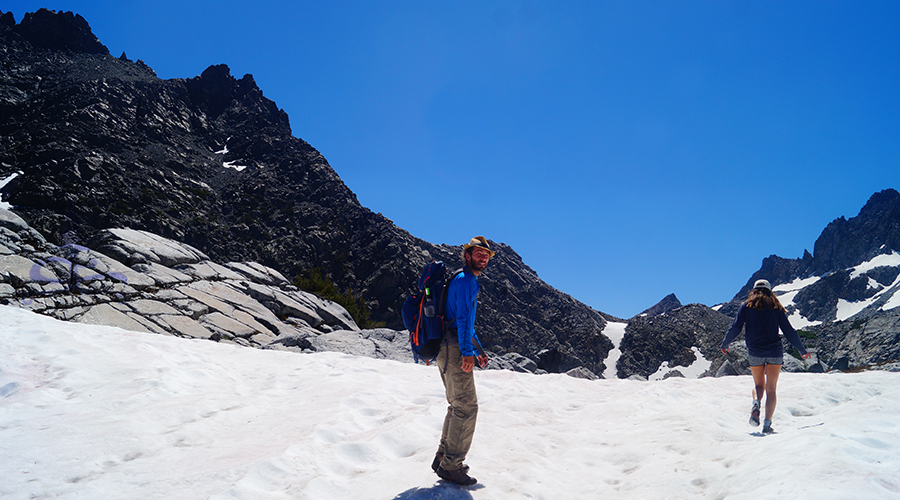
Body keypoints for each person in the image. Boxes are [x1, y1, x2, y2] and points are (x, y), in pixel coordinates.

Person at [432, 236, 492, 485]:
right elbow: (465, 318)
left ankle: (443, 458)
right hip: (455, 348)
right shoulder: (467, 280)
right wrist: (467, 352)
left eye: (486, 255)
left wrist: (478, 349)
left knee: (456, 405)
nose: (483, 258)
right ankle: (451, 466)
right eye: (478, 253)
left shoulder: (460, 278)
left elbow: (460, 319)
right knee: (467, 407)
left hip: (446, 346)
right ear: (467, 255)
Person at [721, 279, 811, 434]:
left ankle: (756, 402)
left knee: (758, 386)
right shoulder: (776, 308)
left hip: (755, 352)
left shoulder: (746, 307)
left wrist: (725, 343)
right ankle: (767, 425)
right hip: (775, 352)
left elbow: (735, 327)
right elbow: (789, 331)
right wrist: (802, 350)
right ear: (770, 291)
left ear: (754, 290)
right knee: (771, 390)